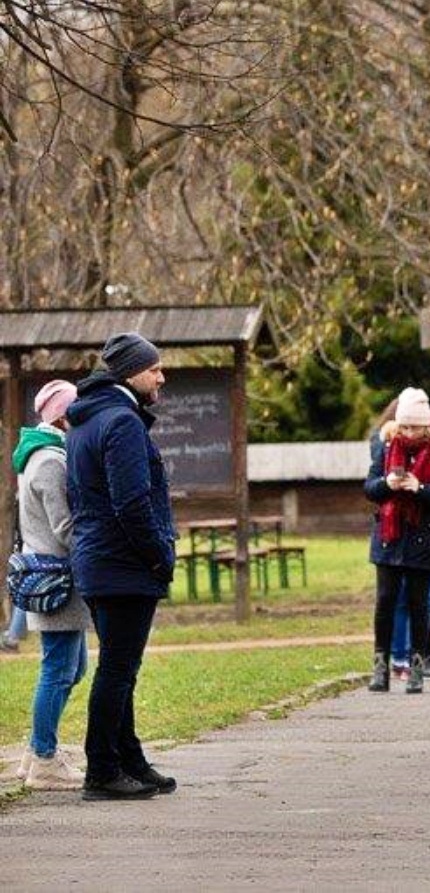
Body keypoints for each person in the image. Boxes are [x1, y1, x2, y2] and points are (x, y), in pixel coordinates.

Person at [66, 333, 178, 801]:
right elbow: (131, 502)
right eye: (154, 369)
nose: (161, 376)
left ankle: (128, 758)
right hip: (122, 563)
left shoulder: (88, 420)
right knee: (118, 669)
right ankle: (102, 770)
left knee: (120, 667)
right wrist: (158, 554)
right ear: (131, 373)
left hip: (99, 559)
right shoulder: (121, 422)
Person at [12, 381, 87, 790]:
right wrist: (96, 552)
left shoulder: (39, 455)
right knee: (59, 669)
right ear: (62, 416)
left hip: (53, 575)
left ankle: (37, 747)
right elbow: (64, 527)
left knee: (72, 668)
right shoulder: (51, 462)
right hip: (57, 577)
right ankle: (44, 759)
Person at [365, 387, 430, 693]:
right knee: (385, 601)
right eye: (404, 426)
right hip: (389, 537)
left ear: (428, 424)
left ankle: (417, 664)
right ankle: (381, 666)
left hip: (425, 537)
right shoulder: (387, 447)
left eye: (415, 427)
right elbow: (370, 488)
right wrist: (388, 483)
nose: (409, 433)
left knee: (419, 603)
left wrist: (419, 488)